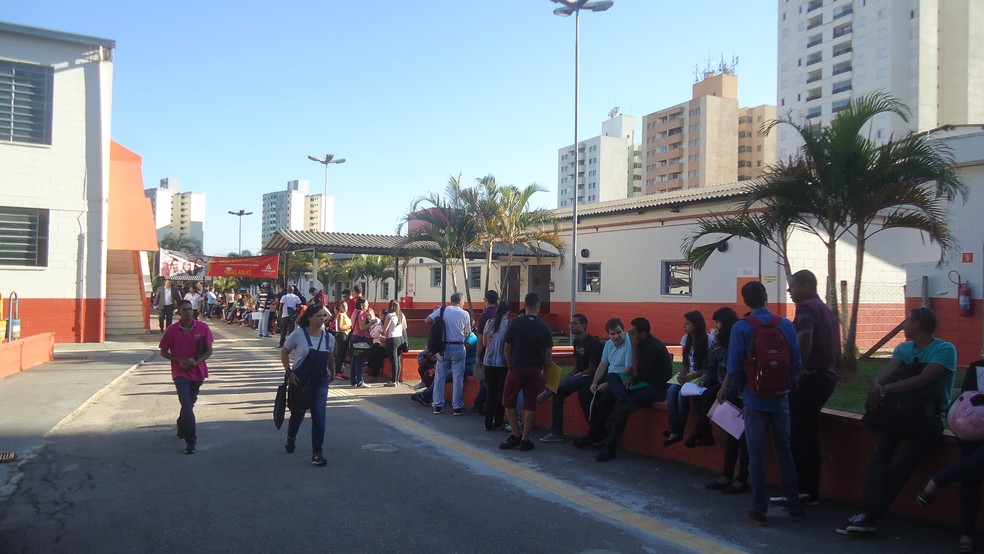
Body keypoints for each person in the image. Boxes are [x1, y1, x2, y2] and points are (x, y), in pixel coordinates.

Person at [836, 306, 956, 536]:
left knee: (897, 468)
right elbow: (887, 372)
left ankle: (869, 515)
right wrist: (876, 385)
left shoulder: (944, 350)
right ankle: (865, 513)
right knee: (878, 463)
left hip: (924, 420)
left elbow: (924, 379)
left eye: (907, 321)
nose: (903, 325)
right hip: (895, 416)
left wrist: (887, 388)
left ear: (917, 325)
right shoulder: (903, 349)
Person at [727, 281, 803, 526]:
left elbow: (734, 366)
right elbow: (796, 363)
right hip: (780, 397)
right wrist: (785, 385)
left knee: (756, 454)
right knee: (785, 450)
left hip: (754, 398)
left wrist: (744, 389)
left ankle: (759, 509)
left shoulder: (741, 327)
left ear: (745, 301)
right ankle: (794, 505)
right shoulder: (786, 325)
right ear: (767, 297)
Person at [773, 269, 841, 507]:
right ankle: (806, 490)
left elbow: (805, 336)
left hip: (812, 377)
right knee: (804, 433)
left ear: (805, 285)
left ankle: (804, 490)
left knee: (799, 434)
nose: (789, 291)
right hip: (824, 376)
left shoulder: (807, 308)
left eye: (792, 286)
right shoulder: (822, 307)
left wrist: (798, 368)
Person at [916, 360, 984, 554]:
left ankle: (938, 480)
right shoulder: (977, 367)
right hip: (976, 431)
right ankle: (966, 534)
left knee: (973, 463)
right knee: (970, 473)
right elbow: (966, 400)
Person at [590, 318, 672, 462]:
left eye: (633, 332)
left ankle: (609, 448)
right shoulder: (640, 343)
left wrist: (633, 348)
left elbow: (636, 371)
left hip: (654, 388)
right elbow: (633, 375)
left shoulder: (653, 347)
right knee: (611, 379)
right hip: (639, 383)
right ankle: (594, 432)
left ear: (642, 333)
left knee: (621, 409)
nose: (630, 334)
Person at [280, 304, 336, 466]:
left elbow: (330, 357)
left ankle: (317, 453)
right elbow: (284, 352)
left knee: (319, 416)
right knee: (298, 414)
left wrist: (331, 373)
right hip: (300, 381)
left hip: (320, 381)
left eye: (323, 316)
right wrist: (288, 372)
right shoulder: (298, 335)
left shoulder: (329, 338)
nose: (322, 319)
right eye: (318, 316)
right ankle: (291, 438)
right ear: (310, 317)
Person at [499, 293, 553, 451]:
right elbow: (548, 355)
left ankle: (515, 434)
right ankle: (525, 439)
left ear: (524, 305)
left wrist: (510, 365)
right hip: (535, 369)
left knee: (508, 401)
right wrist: (546, 372)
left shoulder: (514, 323)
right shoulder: (544, 326)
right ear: (539, 306)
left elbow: (507, 348)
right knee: (530, 404)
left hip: (516, 367)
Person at [158, 300, 213, 455]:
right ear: (178, 312)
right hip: (180, 372)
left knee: (190, 403)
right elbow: (163, 351)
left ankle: (182, 423)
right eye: (185, 310)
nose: (188, 312)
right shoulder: (172, 330)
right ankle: (191, 440)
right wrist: (177, 360)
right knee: (186, 403)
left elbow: (209, 351)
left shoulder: (203, 328)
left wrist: (196, 361)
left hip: (198, 371)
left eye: (190, 309)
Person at [705, 307, 750, 494]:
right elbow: (732, 367)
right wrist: (724, 387)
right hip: (734, 391)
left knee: (744, 439)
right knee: (732, 435)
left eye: (718, 323)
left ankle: (742, 479)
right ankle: (727, 474)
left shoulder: (744, 338)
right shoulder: (724, 341)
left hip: (748, 394)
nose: (716, 327)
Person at [540, 314, 603, 443]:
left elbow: (591, 369)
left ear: (583, 325)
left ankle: (548, 392)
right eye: (570, 323)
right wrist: (565, 378)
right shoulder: (576, 341)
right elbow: (577, 366)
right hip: (580, 376)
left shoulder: (592, 343)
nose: (570, 326)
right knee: (559, 393)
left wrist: (573, 378)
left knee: (566, 384)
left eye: (574, 323)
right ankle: (556, 432)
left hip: (590, 378)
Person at [664, 311, 711, 446]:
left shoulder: (708, 340)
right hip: (688, 375)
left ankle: (681, 429)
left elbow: (708, 368)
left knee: (681, 394)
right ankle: (674, 429)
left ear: (696, 324)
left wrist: (690, 377)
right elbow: (685, 363)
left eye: (687, 324)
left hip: (699, 376)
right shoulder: (686, 339)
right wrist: (683, 374)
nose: (684, 326)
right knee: (671, 391)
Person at [427, 292, 472, 415]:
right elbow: (467, 332)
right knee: (458, 378)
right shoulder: (465, 314)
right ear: (461, 301)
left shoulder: (443, 310)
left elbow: (428, 320)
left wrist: (437, 328)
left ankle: (437, 405)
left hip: (442, 347)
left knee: (439, 377)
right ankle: (457, 407)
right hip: (457, 347)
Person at [481, 301, 511, 431]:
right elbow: (508, 346)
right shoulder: (509, 324)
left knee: (491, 392)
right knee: (501, 393)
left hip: (488, 362)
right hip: (502, 363)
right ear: (508, 312)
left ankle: (488, 422)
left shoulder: (489, 322)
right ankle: (498, 421)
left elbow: (485, 343)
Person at [348, 297, 378, 388]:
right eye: (366, 303)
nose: (368, 305)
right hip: (361, 338)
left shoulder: (354, 312)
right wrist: (372, 323)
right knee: (359, 360)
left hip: (354, 336)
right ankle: (360, 381)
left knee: (355, 359)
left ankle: (354, 381)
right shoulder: (361, 313)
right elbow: (362, 327)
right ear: (362, 305)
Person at [382, 299, 407, 387]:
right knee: (398, 360)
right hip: (400, 338)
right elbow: (405, 327)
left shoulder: (390, 316)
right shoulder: (401, 315)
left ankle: (393, 381)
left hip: (392, 339)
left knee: (393, 361)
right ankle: (397, 380)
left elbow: (385, 329)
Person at [331, 298, 352, 381]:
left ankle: (340, 370)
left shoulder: (346, 315)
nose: (345, 307)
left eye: (346, 305)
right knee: (341, 353)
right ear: (339, 307)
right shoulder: (340, 315)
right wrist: (350, 326)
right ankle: (338, 371)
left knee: (343, 354)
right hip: (341, 335)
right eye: (343, 306)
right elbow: (339, 327)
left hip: (346, 335)